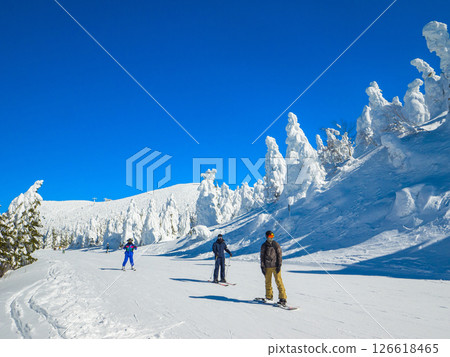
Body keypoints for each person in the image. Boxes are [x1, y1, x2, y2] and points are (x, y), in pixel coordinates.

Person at [260, 230, 287, 306]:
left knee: (279, 281)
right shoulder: (264, 246)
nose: (271, 238)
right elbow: (262, 257)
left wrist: (279, 265)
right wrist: (262, 266)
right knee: (268, 282)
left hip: (275, 266)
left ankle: (283, 298)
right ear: (267, 237)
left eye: (272, 236)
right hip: (267, 267)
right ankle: (269, 297)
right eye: (270, 236)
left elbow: (279, 255)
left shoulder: (276, 244)